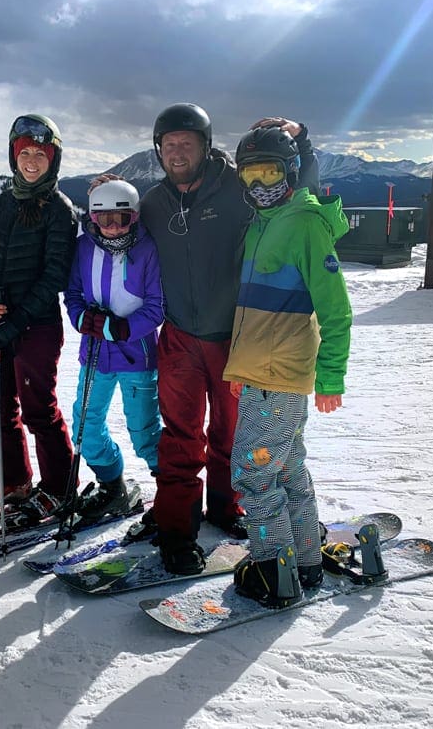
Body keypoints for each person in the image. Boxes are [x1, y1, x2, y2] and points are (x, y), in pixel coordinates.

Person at [125, 103, 320, 575]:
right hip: (178, 337)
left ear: (205, 145)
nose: (176, 151)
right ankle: (176, 530)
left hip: (236, 337)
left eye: (186, 143)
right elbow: (113, 236)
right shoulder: (152, 202)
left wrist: (303, 142)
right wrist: (105, 199)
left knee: (230, 434)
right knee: (180, 435)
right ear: (158, 150)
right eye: (168, 144)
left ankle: (225, 507)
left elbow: (299, 195)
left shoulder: (239, 187)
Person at [224, 126, 352, 608]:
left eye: (271, 172)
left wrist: (330, 376)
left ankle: (271, 570)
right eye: (251, 174)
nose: (260, 185)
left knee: (254, 477)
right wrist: (240, 373)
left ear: (291, 172)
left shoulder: (303, 223)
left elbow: (336, 310)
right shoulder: (264, 222)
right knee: (288, 469)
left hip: (278, 376)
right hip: (262, 375)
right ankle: (303, 560)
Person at [0, 114, 77, 527]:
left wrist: (18, 321)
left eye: (39, 154)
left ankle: (60, 487)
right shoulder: (4, 203)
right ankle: (13, 482)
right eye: (23, 152)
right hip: (1, 321)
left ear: (52, 159)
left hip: (37, 326)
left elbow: (54, 277)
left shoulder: (60, 211)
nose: (30, 161)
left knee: (38, 409)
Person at [63, 180, 164, 523]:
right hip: (95, 356)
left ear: (133, 216)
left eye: (120, 218)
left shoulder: (147, 249)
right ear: (91, 217)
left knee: (144, 430)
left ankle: (172, 491)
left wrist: (120, 328)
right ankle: (112, 486)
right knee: (85, 428)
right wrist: (81, 319)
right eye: (103, 219)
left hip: (136, 356)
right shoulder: (83, 248)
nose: (111, 227)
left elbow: (156, 305)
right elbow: (73, 293)